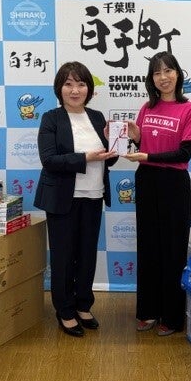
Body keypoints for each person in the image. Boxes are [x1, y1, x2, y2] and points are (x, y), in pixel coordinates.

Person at [123, 51, 191, 336]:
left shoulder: (190, 111)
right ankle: (147, 310)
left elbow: (184, 153)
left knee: (172, 249)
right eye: (157, 73)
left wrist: (147, 155)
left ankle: (171, 316)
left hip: (174, 183)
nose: (163, 77)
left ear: (178, 74)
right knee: (148, 246)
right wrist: (136, 138)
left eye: (168, 70)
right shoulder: (147, 108)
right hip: (147, 180)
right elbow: (144, 146)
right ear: (152, 79)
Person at [34, 61, 118, 337]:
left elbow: (108, 159)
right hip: (62, 198)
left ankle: (83, 304)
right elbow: (49, 160)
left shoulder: (97, 117)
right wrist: (85, 157)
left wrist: (116, 147)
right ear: (59, 88)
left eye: (81, 84)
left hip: (93, 195)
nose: (75, 90)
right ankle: (65, 310)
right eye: (68, 84)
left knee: (86, 255)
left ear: (89, 89)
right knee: (63, 256)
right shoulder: (51, 118)